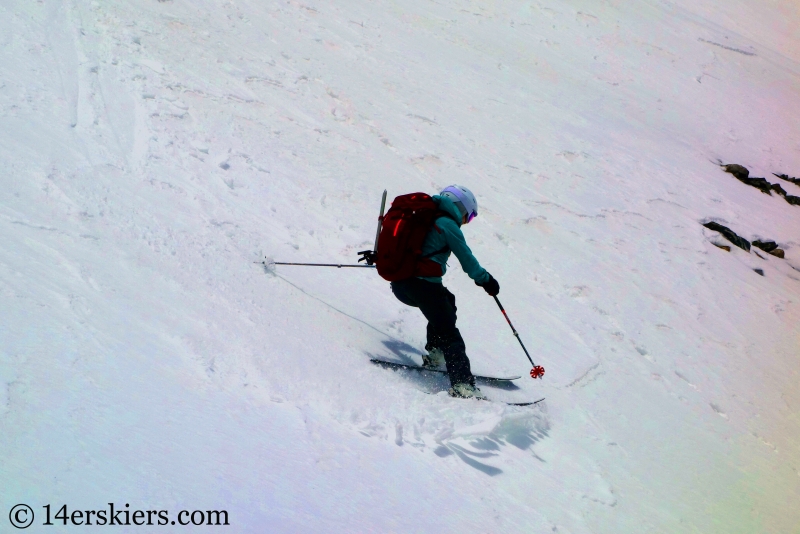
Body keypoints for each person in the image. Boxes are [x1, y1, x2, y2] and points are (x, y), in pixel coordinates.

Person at [389, 185, 499, 399]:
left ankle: (436, 352)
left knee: (447, 302)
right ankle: (463, 385)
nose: (467, 221)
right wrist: (486, 280)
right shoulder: (447, 224)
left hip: (400, 284)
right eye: (470, 216)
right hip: (423, 287)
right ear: (462, 208)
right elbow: (467, 259)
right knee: (450, 332)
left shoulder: (424, 217)